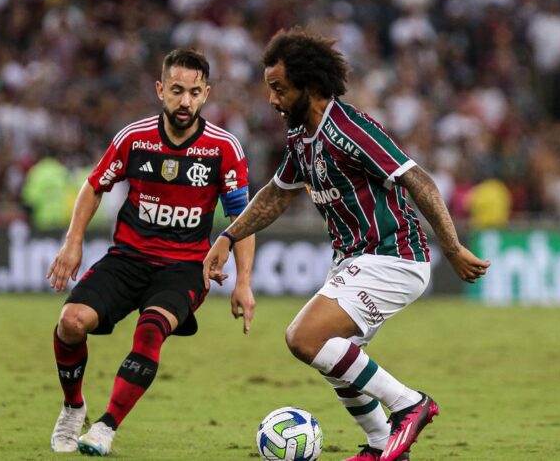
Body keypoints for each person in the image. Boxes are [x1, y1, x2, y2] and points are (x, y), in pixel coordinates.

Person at [203, 27, 490, 461]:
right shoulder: (302, 137)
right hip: (354, 260)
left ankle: (409, 405)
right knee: (337, 358)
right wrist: (229, 235)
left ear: (309, 85)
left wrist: (451, 247)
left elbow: (418, 180)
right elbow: (278, 194)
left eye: (280, 89)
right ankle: (380, 446)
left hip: (393, 256)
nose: (272, 100)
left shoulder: (351, 129)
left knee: (304, 338)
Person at [47, 48, 255, 456]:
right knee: (71, 322)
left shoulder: (223, 148)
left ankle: (106, 426)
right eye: (176, 90)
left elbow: (242, 218)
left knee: (151, 329)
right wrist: (73, 242)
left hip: (184, 268)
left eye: (194, 92)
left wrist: (244, 281)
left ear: (206, 94)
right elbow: (93, 186)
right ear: (160, 90)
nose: (185, 101)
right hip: (127, 259)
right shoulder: (134, 138)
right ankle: (74, 407)